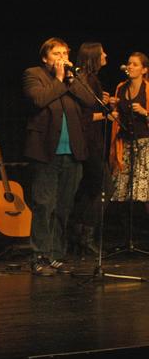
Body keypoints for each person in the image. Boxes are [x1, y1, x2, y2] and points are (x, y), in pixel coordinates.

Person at [23, 37, 96, 276]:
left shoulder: (74, 78)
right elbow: (38, 99)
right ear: (45, 58)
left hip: (72, 153)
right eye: (57, 54)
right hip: (45, 152)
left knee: (63, 207)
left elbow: (90, 101)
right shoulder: (34, 74)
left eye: (65, 53)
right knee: (44, 205)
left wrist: (70, 80)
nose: (62, 58)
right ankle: (39, 256)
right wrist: (58, 78)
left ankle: (55, 255)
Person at [68, 42, 113, 256]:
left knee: (88, 189)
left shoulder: (88, 80)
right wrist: (105, 114)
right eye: (102, 52)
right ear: (94, 56)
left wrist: (103, 102)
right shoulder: (87, 79)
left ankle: (76, 235)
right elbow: (82, 118)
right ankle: (86, 235)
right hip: (89, 143)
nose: (105, 55)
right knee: (104, 188)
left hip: (88, 142)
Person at [108, 52, 149, 234]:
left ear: (144, 70)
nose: (130, 67)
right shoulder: (121, 87)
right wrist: (112, 106)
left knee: (144, 190)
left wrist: (144, 112)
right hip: (124, 143)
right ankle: (127, 235)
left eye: (135, 64)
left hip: (144, 143)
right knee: (123, 190)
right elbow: (117, 113)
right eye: (129, 63)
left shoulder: (147, 89)